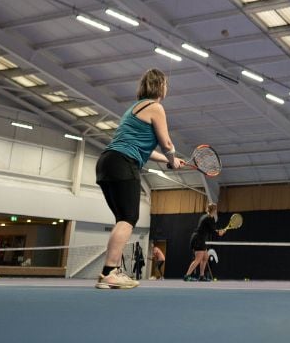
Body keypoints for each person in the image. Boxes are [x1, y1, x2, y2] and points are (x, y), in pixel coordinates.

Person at [95, 68, 184, 289]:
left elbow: (146, 149)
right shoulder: (156, 107)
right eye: (166, 84)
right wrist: (172, 158)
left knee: (122, 219)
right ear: (161, 86)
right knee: (128, 218)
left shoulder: (134, 108)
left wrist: (170, 160)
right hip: (123, 163)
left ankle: (111, 272)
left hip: (107, 162)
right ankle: (109, 272)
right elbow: (167, 143)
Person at [183, 203, 225, 282]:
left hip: (200, 239)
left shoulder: (207, 217)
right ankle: (187, 276)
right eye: (216, 209)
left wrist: (219, 231)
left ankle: (201, 276)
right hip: (198, 239)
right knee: (198, 259)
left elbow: (210, 230)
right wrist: (219, 232)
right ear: (214, 210)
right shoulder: (208, 218)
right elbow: (213, 231)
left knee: (205, 257)